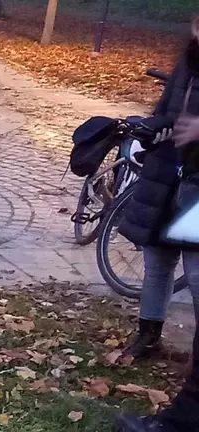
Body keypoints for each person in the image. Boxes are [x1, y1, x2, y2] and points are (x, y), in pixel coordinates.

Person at [116, 16, 199, 432]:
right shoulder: (188, 60)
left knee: (197, 273)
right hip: (169, 173)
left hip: (197, 189)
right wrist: (152, 130)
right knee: (157, 258)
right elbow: (168, 110)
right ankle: (148, 335)